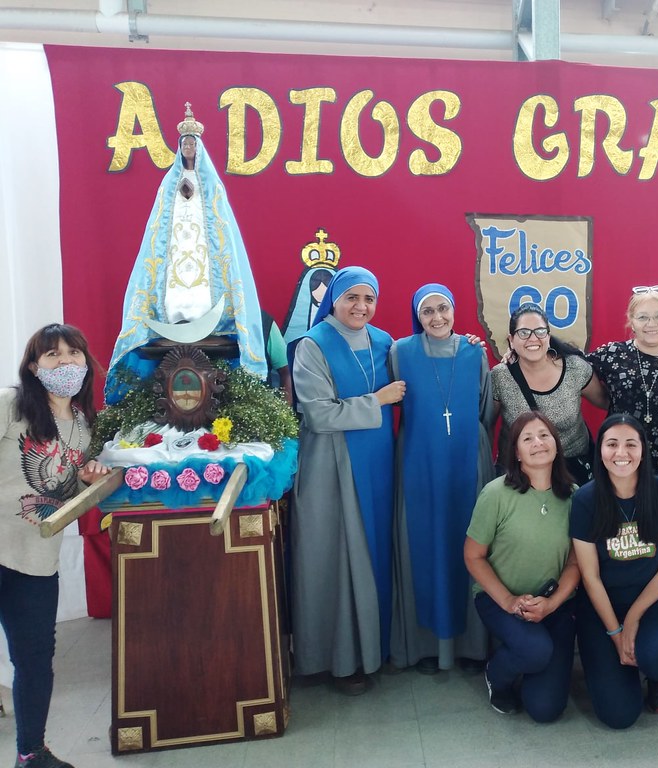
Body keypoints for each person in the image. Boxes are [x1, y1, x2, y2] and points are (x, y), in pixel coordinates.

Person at [289, 266, 406, 695]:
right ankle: (339, 660)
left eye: (369, 298)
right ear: (333, 300)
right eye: (351, 297)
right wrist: (378, 400)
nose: (361, 307)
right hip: (331, 466)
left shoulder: (384, 342)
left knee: (375, 552)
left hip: (378, 464)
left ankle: (376, 648)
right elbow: (319, 414)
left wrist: (464, 345)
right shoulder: (313, 344)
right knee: (337, 557)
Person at [1, 324, 109, 768]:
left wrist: (89, 480)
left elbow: (68, 497)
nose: (65, 362)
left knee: (34, 661)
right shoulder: (10, 406)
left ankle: (32, 753)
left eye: (73, 353)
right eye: (52, 355)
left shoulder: (85, 428)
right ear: (34, 366)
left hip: (35, 562)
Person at [107, 103, 266, 401]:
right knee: (175, 275)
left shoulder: (212, 187)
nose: (189, 149)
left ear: (199, 148)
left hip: (204, 245)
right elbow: (159, 225)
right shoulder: (168, 186)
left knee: (204, 275)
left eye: (192, 144)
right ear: (179, 149)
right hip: (178, 241)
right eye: (185, 145)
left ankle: (204, 313)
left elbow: (221, 227)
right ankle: (176, 313)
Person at [390, 283, 492, 674]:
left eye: (443, 308)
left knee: (469, 542)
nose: (437, 317)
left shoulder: (474, 352)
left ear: (454, 310)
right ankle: (426, 647)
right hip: (421, 465)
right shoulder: (400, 352)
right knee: (426, 544)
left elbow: (485, 409)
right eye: (428, 311)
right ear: (417, 316)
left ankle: (471, 645)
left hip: (465, 460)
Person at [571, 414, 658, 729]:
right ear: (600, 451)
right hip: (603, 606)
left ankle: (656, 674)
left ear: (643, 450)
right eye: (611, 444)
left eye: (630, 444)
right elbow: (590, 577)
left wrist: (634, 617)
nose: (621, 453)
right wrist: (616, 634)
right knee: (619, 715)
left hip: (655, 600)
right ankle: (622, 664)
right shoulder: (585, 499)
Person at [464, 411, 579, 722]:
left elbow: (575, 562)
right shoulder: (496, 494)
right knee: (535, 651)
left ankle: (531, 661)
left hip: (555, 603)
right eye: (527, 438)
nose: (538, 443)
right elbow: (473, 556)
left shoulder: (574, 497)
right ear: (516, 452)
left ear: (556, 444)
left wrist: (552, 603)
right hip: (501, 599)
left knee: (545, 710)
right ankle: (497, 674)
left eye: (544, 435)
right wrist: (509, 601)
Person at [588, 285, 658, 502]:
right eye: (643, 317)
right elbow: (572, 367)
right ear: (631, 321)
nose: (652, 324)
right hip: (619, 463)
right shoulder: (613, 354)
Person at [490, 302, 605, 485]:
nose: (533, 338)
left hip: (573, 471)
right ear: (511, 340)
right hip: (520, 475)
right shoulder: (500, 376)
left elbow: (607, 402)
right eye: (524, 332)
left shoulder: (574, 368)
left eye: (540, 331)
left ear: (548, 336)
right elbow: (486, 426)